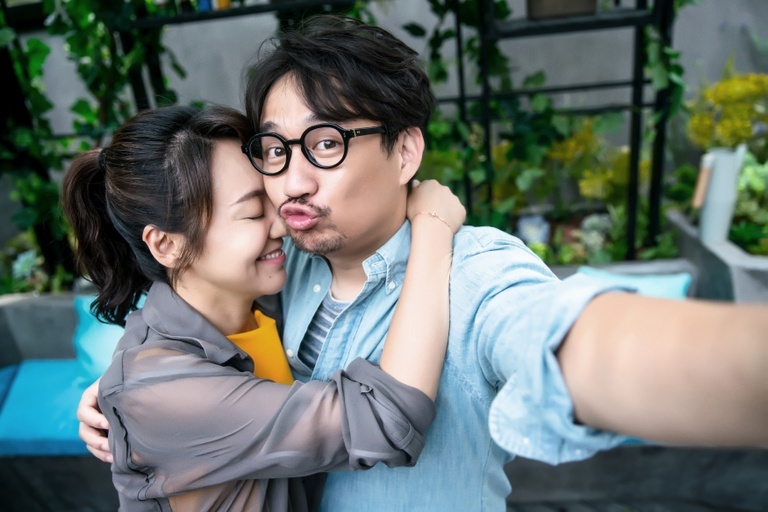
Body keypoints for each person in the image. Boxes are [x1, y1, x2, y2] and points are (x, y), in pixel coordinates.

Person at [79, 15, 768, 512]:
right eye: (276, 151)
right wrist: (123, 401)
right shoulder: (287, 269)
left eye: (325, 144)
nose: (289, 184)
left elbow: (567, 341)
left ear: (406, 152)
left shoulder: (470, 275)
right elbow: (191, 337)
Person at [62, 104, 466, 510]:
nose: (281, 224)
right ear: (167, 244)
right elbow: (385, 419)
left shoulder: (265, 302)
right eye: (254, 213)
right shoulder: (160, 390)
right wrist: (433, 223)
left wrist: (115, 393)